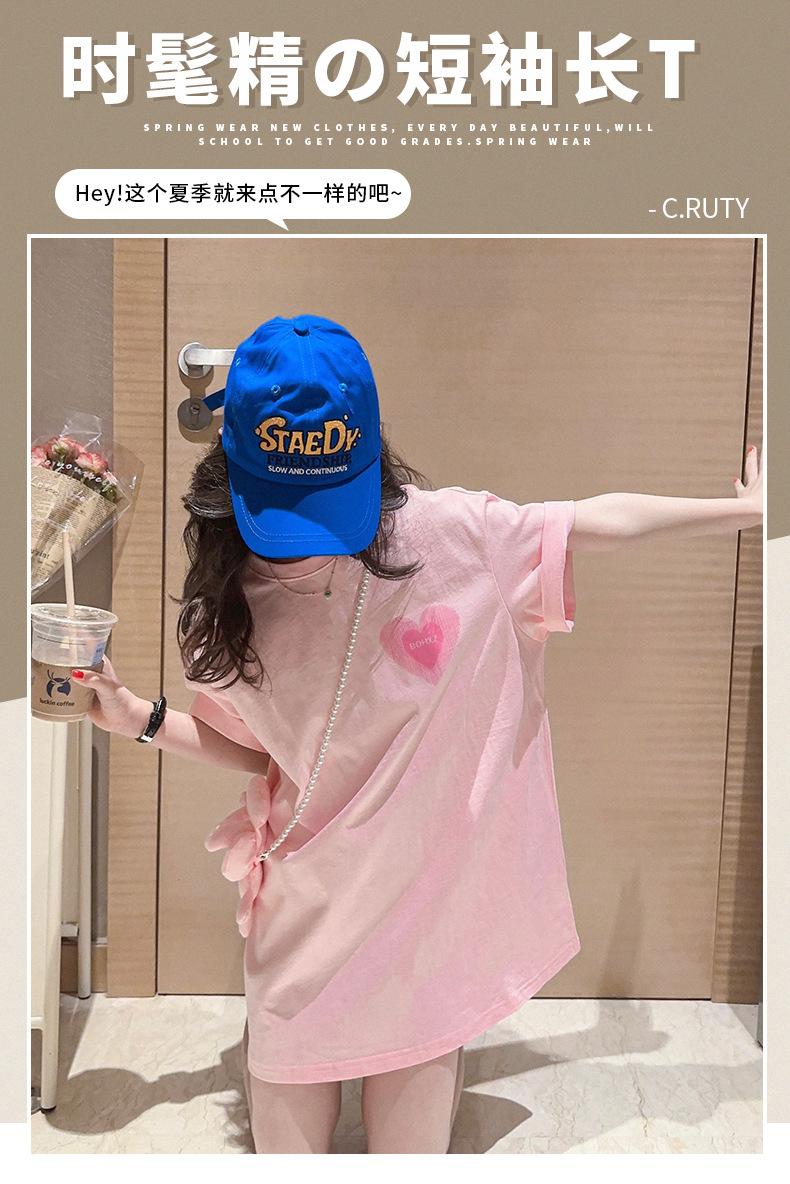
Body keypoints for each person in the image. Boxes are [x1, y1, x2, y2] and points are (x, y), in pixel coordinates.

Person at [78, 314, 763, 1154]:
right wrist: (140, 719)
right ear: (230, 473)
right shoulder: (221, 609)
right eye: (285, 508)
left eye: (327, 503)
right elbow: (261, 753)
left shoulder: (450, 536)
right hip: (306, 921)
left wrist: (747, 511)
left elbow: (596, 521)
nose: (306, 545)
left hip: (422, 927)